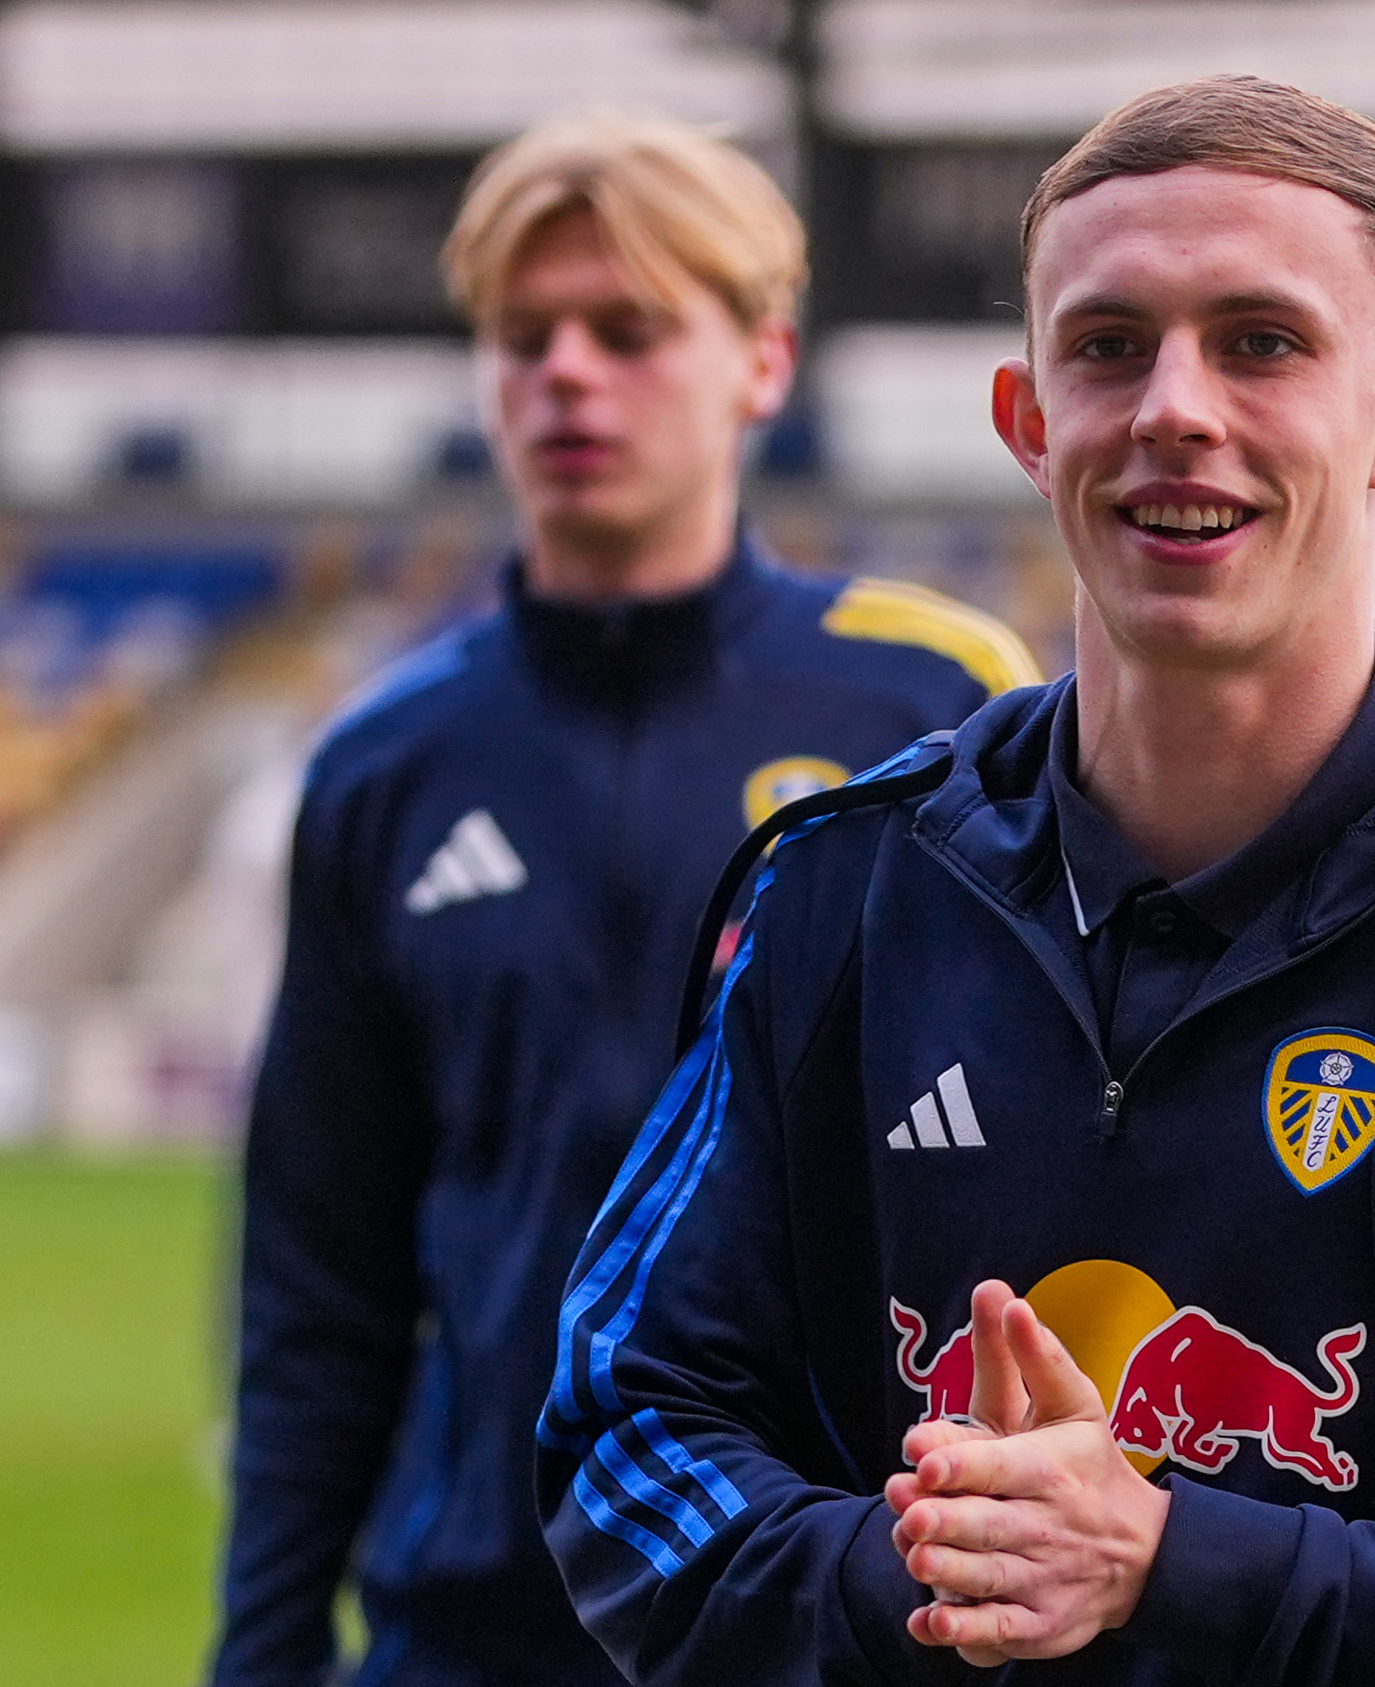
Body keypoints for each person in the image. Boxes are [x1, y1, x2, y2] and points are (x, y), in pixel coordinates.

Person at [537, 75, 1375, 1686]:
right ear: (1028, 423)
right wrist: (939, 1580)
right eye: (1108, 347)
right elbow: (627, 1425)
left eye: (1263, 342)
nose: (1175, 405)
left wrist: (1180, 1567)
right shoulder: (843, 885)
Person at [209, 111, 1038, 1687]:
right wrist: (262, 1651)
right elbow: (320, 1281)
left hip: (829, 1607)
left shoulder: (941, 704)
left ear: (764, 365)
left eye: (632, 330)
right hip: (470, 1628)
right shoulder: (383, 767)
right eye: (525, 338)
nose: (568, 374)